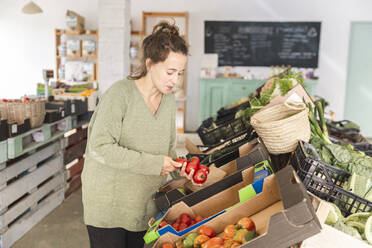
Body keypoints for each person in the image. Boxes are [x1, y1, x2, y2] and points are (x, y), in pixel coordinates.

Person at [81, 21, 200, 248]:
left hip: (143, 204)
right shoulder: (120, 94)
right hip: (109, 204)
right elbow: (100, 147)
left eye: (180, 73)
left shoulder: (169, 99)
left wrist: (181, 170)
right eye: (170, 72)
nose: (175, 80)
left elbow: (166, 150)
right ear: (149, 64)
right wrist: (155, 164)